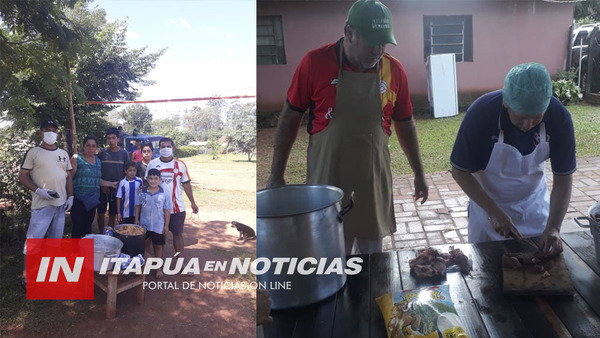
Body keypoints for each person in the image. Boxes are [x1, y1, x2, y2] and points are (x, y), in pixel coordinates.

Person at [266, 0, 428, 254]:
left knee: (372, 259)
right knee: (332, 257)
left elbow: (405, 124)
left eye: (383, 42)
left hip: (371, 180)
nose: (377, 50)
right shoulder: (315, 63)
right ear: (349, 32)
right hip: (328, 176)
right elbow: (289, 118)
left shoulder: (393, 70)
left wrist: (419, 173)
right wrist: (277, 173)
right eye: (371, 41)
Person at [450, 62, 576, 258]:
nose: (527, 125)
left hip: (533, 207)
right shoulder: (481, 114)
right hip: (487, 208)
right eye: (521, 118)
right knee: (487, 273)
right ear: (506, 103)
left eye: (535, 119)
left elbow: (563, 178)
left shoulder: (559, 118)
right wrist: (493, 212)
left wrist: (553, 228)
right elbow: (459, 171)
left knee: (539, 272)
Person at [18, 119, 74, 286]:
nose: (51, 132)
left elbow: (68, 176)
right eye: (48, 129)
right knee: (34, 240)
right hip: (42, 204)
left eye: (54, 130)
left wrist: (71, 197)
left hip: (60, 204)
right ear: (40, 133)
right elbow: (22, 176)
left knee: (55, 241)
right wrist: (38, 190)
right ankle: (26, 277)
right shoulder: (34, 152)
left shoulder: (63, 153)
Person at [146, 137, 198, 257]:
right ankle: (160, 262)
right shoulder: (153, 164)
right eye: (163, 146)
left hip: (176, 207)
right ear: (159, 149)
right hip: (157, 208)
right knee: (160, 235)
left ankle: (181, 263)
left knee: (178, 234)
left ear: (173, 148)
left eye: (168, 146)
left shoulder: (180, 164)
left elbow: (186, 184)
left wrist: (193, 202)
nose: (165, 149)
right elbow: (146, 184)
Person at [135, 168, 172, 278]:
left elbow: (167, 210)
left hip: (158, 225)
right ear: (147, 179)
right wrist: (136, 219)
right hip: (144, 224)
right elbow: (138, 205)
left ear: (160, 179)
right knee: (145, 245)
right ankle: (144, 267)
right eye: (150, 178)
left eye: (156, 179)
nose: (153, 181)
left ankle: (158, 269)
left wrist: (166, 225)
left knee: (158, 247)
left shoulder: (164, 193)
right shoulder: (142, 192)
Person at [97, 127, 130, 231]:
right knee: (100, 213)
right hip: (102, 189)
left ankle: (108, 235)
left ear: (118, 139)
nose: (111, 140)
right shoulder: (102, 153)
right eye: (109, 138)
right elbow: (97, 170)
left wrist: (120, 187)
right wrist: (102, 185)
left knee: (112, 213)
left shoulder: (124, 154)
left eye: (113, 138)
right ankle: (101, 233)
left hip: (117, 190)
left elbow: (127, 171)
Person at [69, 135, 102, 238]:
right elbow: (69, 178)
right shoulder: (76, 158)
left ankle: (85, 252)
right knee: (78, 226)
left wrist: (112, 184)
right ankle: (74, 252)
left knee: (88, 227)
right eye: (88, 145)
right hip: (78, 199)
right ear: (83, 146)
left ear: (96, 148)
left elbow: (98, 180)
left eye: (93, 146)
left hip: (92, 200)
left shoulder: (98, 161)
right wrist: (69, 196)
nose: (91, 148)